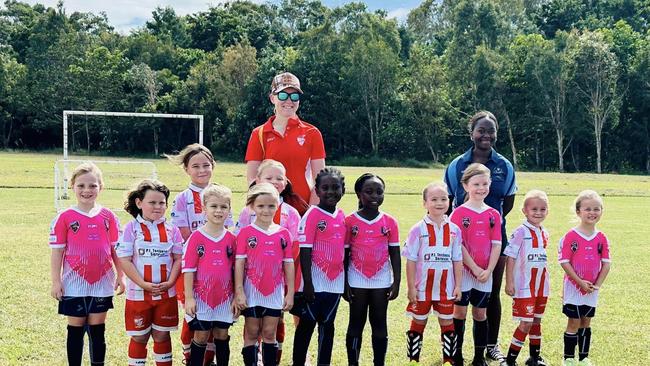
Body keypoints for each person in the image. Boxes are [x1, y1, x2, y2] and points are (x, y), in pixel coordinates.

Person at [444, 110, 517, 362]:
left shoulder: (505, 166)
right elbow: (449, 200)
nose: (486, 135)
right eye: (481, 130)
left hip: (494, 239)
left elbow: (507, 204)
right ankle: (456, 351)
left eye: (491, 131)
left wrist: (487, 223)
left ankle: (490, 345)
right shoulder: (456, 165)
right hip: (460, 240)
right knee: (460, 296)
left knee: (491, 293)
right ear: (471, 133)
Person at [49, 162, 124, 366]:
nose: (87, 190)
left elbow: (116, 249)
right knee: (75, 329)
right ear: (72, 186)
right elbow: (57, 252)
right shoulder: (64, 217)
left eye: (92, 185)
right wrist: (56, 282)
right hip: (74, 283)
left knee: (97, 331)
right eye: (81, 185)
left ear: (101, 187)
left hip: (102, 283)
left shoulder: (109, 216)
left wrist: (121, 276)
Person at [167, 143, 233, 364]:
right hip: (195, 270)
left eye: (206, 165)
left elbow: (229, 234)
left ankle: (211, 359)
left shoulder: (222, 195)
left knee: (219, 327)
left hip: (219, 272)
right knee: (195, 323)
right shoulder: (182, 199)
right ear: (186, 169)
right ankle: (190, 357)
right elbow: (184, 236)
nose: (202, 170)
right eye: (195, 166)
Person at [235, 159, 302, 363]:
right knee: (252, 332)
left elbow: (290, 259)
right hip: (251, 287)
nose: (266, 210)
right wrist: (239, 289)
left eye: (278, 178)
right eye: (261, 206)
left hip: (275, 288)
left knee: (270, 332)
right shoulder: (246, 222)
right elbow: (239, 259)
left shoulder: (288, 220)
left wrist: (289, 291)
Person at [117, 179, 183, 366]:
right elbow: (125, 260)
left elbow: (178, 259)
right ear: (139, 203)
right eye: (152, 202)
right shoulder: (131, 228)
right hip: (138, 294)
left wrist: (170, 282)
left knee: (162, 335)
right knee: (140, 336)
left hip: (166, 293)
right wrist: (143, 284)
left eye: (161, 203)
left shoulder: (172, 230)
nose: (157, 207)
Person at [291, 167, 347, 366]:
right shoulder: (312, 214)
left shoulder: (342, 216)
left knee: (328, 327)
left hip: (335, 284)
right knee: (306, 326)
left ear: (343, 190)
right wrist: (307, 283)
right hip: (313, 283)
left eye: (335, 187)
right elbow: (305, 250)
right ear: (317, 190)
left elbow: (345, 252)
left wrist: (345, 283)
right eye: (325, 188)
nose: (330, 192)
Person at [403, 182, 463, 366]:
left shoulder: (454, 230)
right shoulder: (417, 229)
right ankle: (413, 359)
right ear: (425, 203)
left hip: (445, 287)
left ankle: (448, 360)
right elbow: (411, 260)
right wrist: (411, 286)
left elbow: (457, 259)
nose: (439, 203)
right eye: (434, 199)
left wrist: (458, 285)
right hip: (422, 288)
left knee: (447, 322)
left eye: (443, 199)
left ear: (449, 202)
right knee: (418, 322)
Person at [344, 173, 401, 366]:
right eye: (369, 191)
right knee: (355, 324)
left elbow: (394, 253)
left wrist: (397, 282)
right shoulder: (349, 221)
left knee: (379, 324)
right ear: (359, 194)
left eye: (379, 191)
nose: (374, 195)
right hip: (356, 278)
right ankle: (353, 362)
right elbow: (345, 254)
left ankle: (379, 363)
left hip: (381, 279)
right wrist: (345, 282)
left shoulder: (390, 221)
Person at [449, 163, 502, 366]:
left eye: (485, 184)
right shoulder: (458, 213)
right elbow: (458, 246)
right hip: (464, 273)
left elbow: (496, 245)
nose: (481, 188)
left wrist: (488, 270)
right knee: (459, 312)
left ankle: (479, 357)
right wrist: (475, 268)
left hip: (484, 274)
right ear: (465, 186)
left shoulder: (493, 214)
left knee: (480, 313)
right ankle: (457, 355)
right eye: (476, 184)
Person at [244, 72, 326, 205]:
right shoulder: (259, 133)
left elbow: (320, 180)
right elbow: (253, 180)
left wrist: (311, 213)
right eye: (283, 95)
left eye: (294, 96)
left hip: (302, 210)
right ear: (272, 98)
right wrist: (263, 210)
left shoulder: (312, 133)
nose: (289, 101)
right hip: (269, 213)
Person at [183, 184, 238, 366]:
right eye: (214, 206)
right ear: (204, 208)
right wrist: (189, 298)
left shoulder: (232, 239)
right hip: (202, 297)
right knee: (201, 335)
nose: (218, 211)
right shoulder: (196, 237)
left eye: (224, 207)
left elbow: (236, 270)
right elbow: (188, 270)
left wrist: (237, 296)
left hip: (224, 297)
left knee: (222, 334)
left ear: (229, 210)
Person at [558, 190, 611, 366]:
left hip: (592, 289)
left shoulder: (602, 238)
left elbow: (606, 264)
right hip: (574, 288)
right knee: (573, 321)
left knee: (586, 322)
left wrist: (597, 285)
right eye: (587, 209)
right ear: (578, 211)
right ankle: (568, 358)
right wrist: (580, 282)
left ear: (601, 211)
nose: (592, 212)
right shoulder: (571, 236)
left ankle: (583, 357)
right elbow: (564, 262)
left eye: (597, 209)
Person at [503, 190, 551, 366]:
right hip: (524, 286)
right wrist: (509, 282)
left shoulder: (544, 232)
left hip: (541, 285)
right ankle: (510, 360)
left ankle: (534, 358)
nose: (538, 213)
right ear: (524, 210)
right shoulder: (520, 232)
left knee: (537, 320)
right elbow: (511, 257)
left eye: (542, 209)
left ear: (547, 211)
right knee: (525, 323)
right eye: (534, 209)